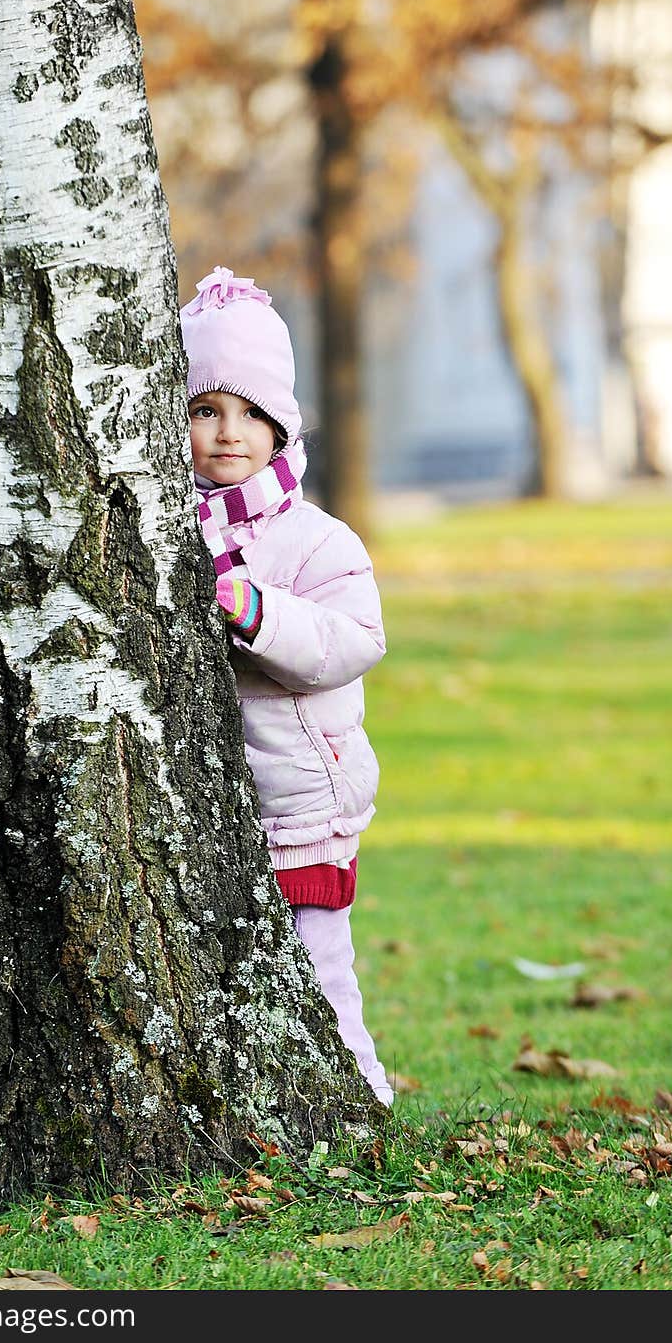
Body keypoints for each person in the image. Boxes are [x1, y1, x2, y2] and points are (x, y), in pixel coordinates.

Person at [181, 264, 394, 1107]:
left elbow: (353, 640)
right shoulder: (173, 529)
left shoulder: (313, 539)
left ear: (280, 426)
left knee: (319, 969)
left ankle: (363, 1095)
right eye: (204, 411)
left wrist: (254, 610)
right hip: (224, 802)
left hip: (305, 799)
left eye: (249, 413)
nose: (227, 433)